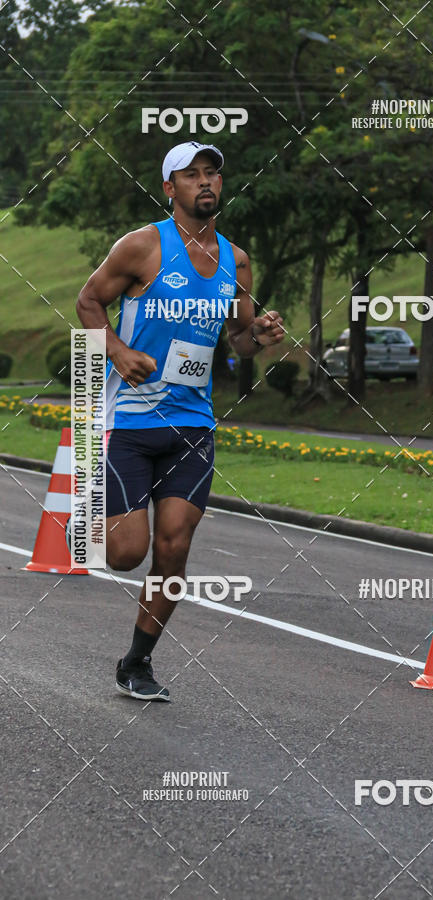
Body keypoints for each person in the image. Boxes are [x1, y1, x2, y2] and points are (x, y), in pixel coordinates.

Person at [72, 140, 285, 701]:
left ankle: (137, 663)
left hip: (193, 424)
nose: (205, 182)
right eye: (191, 175)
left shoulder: (235, 260)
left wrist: (256, 337)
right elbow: (89, 301)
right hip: (133, 423)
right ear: (170, 188)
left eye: (212, 172)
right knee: (125, 555)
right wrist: (116, 351)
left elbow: (236, 341)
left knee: (173, 548)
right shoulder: (141, 247)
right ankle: (91, 518)